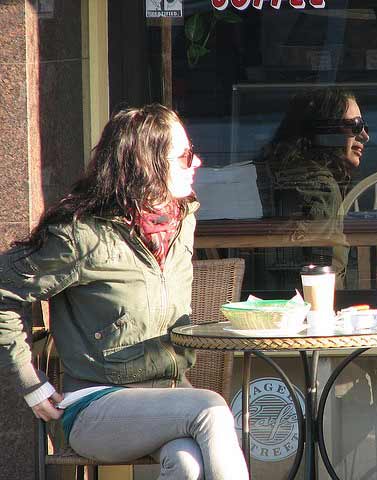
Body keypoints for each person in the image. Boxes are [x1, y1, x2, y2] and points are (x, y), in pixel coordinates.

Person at [0, 104, 249, 480]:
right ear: (146, 164)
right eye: (184, 156)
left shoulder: (182, 221)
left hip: (170, 394)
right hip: (96, 405)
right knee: (212, 409)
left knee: (187, 462)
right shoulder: (82, 236)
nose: (196, 162)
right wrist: (30, 383)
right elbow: (5, 291)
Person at [255, 87, 369, 289]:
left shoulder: (268, 170)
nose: (365, 136)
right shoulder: (321, 186)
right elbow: (326, 272)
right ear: (325, 128)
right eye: (356, 125)